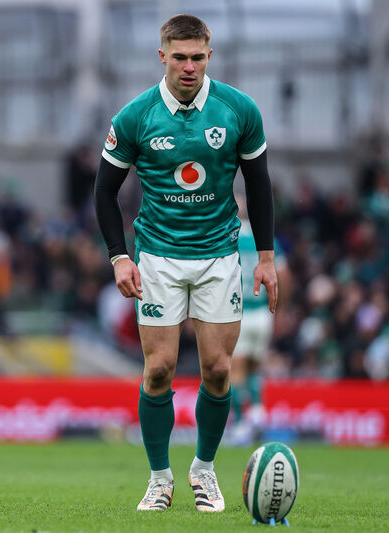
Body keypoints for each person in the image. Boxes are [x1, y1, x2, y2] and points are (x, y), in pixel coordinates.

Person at [94, 14, 277, 512]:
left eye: (198, 57)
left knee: (217, 369)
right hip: (158, 258)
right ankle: (159, 479)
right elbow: (104, 191)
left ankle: (204, 471)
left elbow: (259, 184)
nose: (189, 66)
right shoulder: (135, 117)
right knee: (159, 370)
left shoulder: (238, 110)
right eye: (180, 57)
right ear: (162, 57)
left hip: (219, 256)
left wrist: (265, 257)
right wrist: (119, 257)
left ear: (209, 55)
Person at [229, 197, 289, 446]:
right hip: (263, 311)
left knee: (235, 370)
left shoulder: (227, 236)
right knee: (254, 367)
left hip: (238, 311)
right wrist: (280, 308)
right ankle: (257, 412)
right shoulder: (264, 238)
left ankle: (240, 424)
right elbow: (284, 274)